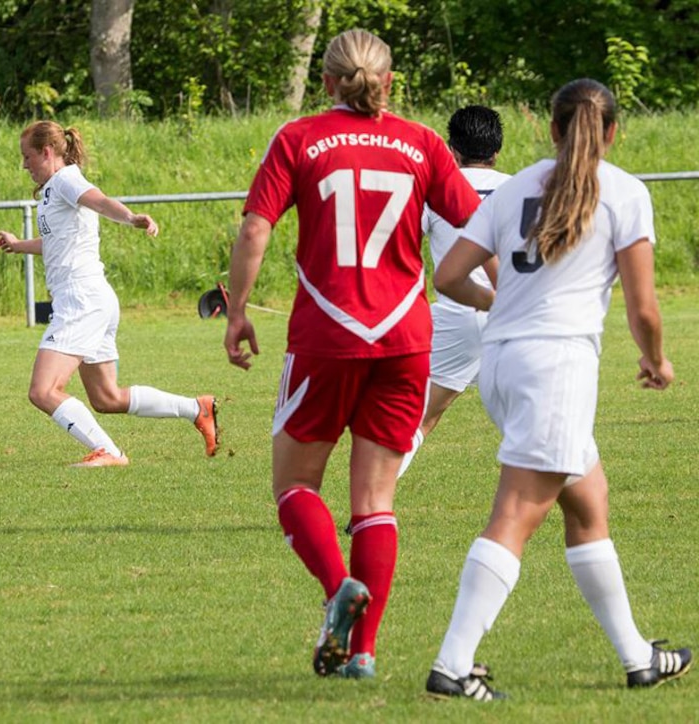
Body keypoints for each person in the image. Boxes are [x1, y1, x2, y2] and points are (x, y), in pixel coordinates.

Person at [223, 29, 482, 679]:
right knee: (375, 504)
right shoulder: (422, 142)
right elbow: (479, 225)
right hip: (405, 339)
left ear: (326, 82)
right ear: (389, 82)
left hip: (329, 335)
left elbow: (257, 227)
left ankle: (338, 586)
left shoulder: (300, 138)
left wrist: (238, 311)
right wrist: (510, 298)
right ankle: (362, 654)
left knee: (295, 486)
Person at [424, 78, 691, 700]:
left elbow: (448, 275)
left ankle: (637, 658)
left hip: (501, 365)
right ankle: (452, 666)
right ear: (614, 132)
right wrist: (656, 360)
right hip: (556, 370)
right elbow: (644, 307)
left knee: (588, 501)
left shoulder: (514, 186)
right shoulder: (623, 190)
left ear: (550, 130)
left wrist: (501, 305)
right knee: (516, 515)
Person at [0, 121, 219, 467]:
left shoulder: (67, 179)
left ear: (47, 152)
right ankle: (196, 408)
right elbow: (57, 243)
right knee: (106, 397)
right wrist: (19, 245)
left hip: (80, 301)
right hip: (94, 299)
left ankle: (110, 452)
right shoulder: (56, 188)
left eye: (27, 157)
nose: (24, 165)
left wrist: (130, 217)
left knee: (43, 391)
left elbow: (99, 201)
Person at [397, 105, 511, 478]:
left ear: (452, 149)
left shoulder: (436, 187)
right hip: (517, 315)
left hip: (459, 315)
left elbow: (402, 247)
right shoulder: (520, 189)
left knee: (419, 420)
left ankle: (368, 508)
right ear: (496, 150)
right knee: (537, 425)